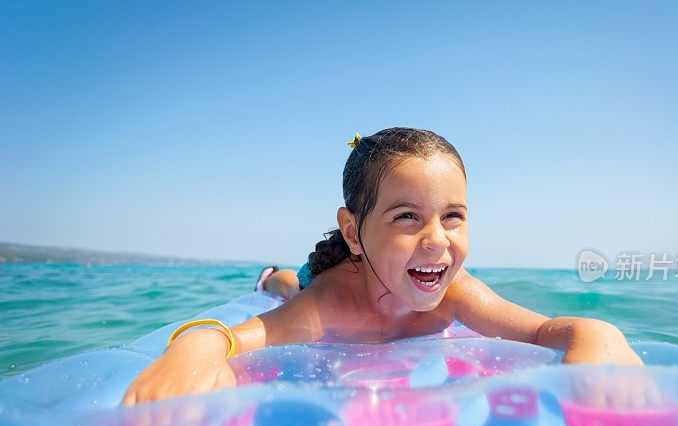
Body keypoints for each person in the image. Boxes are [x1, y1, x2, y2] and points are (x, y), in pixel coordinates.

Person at [122, 127, 643, 406]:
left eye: (453, 216)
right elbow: (237, 336)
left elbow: (544, 330)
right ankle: (270, 274)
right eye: (407, 217)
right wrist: (195, 343)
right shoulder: (328, 304)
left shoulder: (457, 292)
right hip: (323, 275)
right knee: (286, 286)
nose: (436, 239)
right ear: (353, 230)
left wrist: (597, 334)